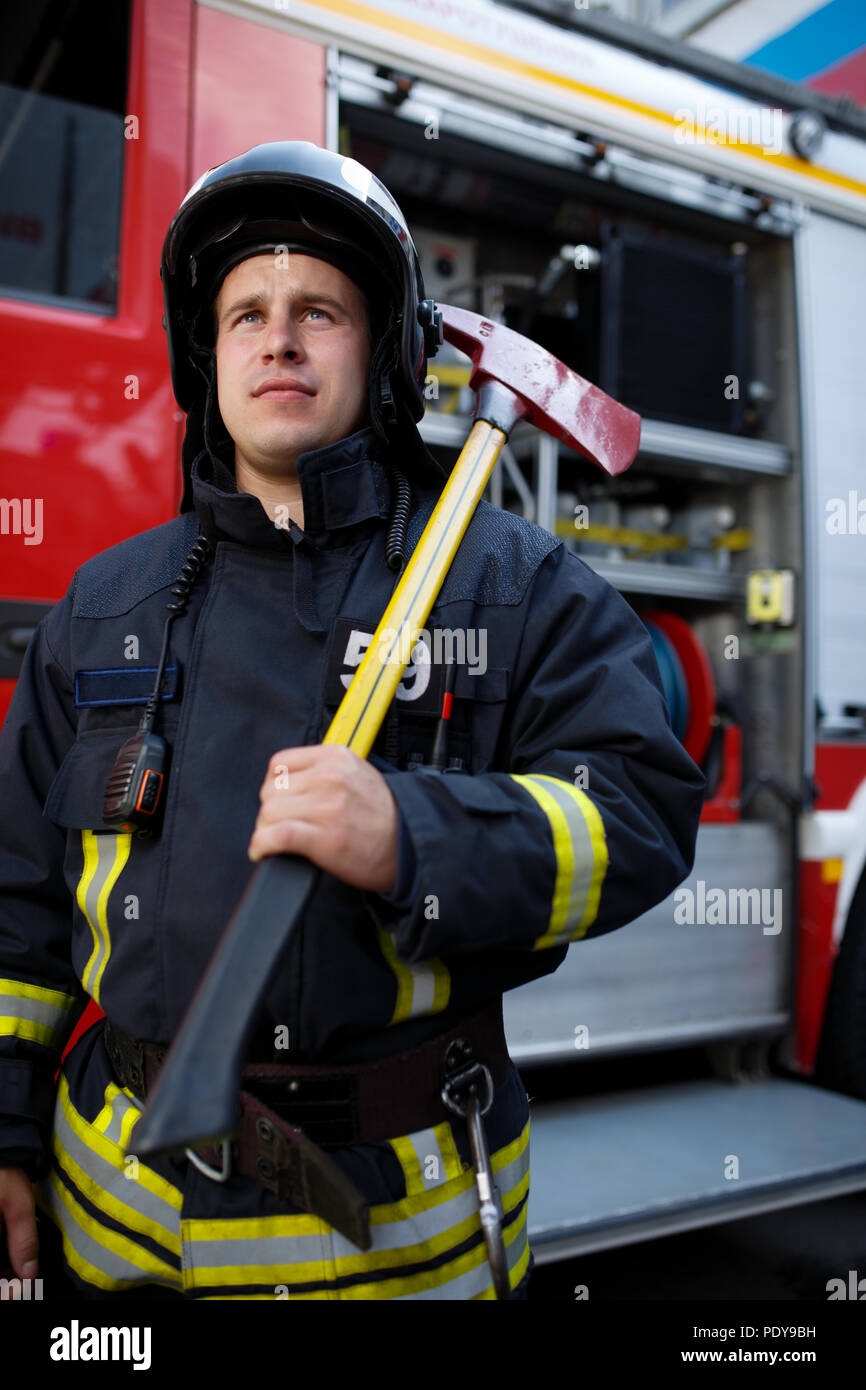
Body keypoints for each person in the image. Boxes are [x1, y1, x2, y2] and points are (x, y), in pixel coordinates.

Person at [0, 142, 705, 1301]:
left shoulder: (511, 584)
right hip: (120, 1232)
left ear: (378, 352)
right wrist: (6, 1132)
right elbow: (18, 901)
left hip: (398, 1244)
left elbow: (636, 813)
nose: (277, 337)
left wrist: (416, 835)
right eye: (247, 314)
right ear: (206, 357)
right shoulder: (105, 604)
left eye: (317, 309)